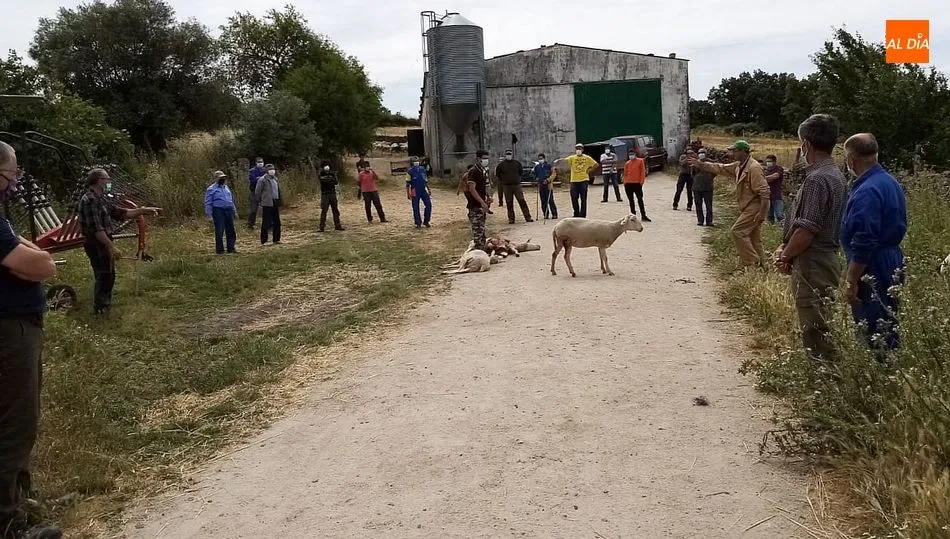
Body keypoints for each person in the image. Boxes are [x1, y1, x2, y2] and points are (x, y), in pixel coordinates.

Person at [0, 142, 63, 539]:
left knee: (18, 421)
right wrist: (33, 262)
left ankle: (21, 503)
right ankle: (8, 524)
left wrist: (30, 260)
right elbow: (40, 263)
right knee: (14, 425)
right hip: (9, 330)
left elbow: (32, 255)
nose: (15, 182)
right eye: (11, 174)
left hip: (16, 327)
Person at [772, 114, 848, 361]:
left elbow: (807, 230)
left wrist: (785, 255)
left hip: (813, 261)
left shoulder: (817, 179)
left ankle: (825, 374)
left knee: (815, 326)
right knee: (820, 319)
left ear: (805, 144)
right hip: (824, 260)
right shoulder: (835, 175)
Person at [841, 133, 907, 352]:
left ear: (851, 160)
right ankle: (889, 365)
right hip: (891, 259)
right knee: (888, 320)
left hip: (872, 265)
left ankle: (880, 367)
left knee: (874, 326)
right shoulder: (889, 181)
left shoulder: (867, 190)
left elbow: (864, 239)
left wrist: (852, 280)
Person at [77, 168, 161, 315]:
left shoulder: (101, 198)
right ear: (99, 181)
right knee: (104, 275)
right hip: (96, 243)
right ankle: (101, 310)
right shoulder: (89, 200)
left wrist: (143, 210)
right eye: (107, 179)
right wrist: (112, 247)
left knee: (109, 275)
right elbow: (97, 230)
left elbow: (121, 213)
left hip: (103, 241)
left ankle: (104, 307)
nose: (109, 182)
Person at [687, 140, 769, 268]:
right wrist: (701, 164)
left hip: (754, 207)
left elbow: (765, 193)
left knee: (737, 231)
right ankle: (762, 267)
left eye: (734, 151)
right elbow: (720, 168)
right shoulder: (739, 166)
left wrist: (762, 214)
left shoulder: (754, 168)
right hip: (748, 207)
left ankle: (751, 263)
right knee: (753, 238)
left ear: (742, 151)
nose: (732, 154)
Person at [554, 144, 598, 218]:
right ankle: (576, 213)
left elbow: (596, 164)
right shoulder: (572, 158)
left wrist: (589, 171)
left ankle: (583, 214)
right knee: (574, 198)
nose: (578, 150)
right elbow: (564, 160)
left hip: (584, 180)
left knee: (583, 198)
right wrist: (558, 161)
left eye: (580, 148)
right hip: (574, 180)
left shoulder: (587, 158)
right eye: (577, 149)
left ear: (582, 150)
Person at [463, 150, 493, 249]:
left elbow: (483, 187)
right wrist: (481, 202)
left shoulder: (483, 171)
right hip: (475, 205)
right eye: (484, 158)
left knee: (482, 230)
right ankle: (479, 251)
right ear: (478, 158)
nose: (486, 160)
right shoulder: (473, 171)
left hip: (481, 205)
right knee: (478, 232)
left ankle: (482, 249)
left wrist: (488, 197)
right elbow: (472, 189)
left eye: (487, 158)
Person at [494, 150, 533, 224]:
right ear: (505, 155)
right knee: (509, 202)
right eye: (507, 154)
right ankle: (511, 218)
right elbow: (498, 174)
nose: (509, 155)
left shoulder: (517, 163)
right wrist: (504, 180)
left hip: (516, 185)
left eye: (510, 154)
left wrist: (517, 179)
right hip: (506, 186)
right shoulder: (501, 165)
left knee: (521, 201)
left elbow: (521, 172)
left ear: (512, 155)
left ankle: (528, 217)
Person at [204, 171, 238, 254]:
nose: (223, 179)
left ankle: (231, 248)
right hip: (218, 210)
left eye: (223, 178)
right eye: (221, 178)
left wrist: (234, 211)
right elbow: (208, 203)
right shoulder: (211, 189)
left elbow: (231, 200)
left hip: (228, 209)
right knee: (220, 230)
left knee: (231, 229)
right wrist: (209, 215)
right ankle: (220, 250)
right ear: (216, 178)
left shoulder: (226, 188)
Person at [255, 164, 282, 244]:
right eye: (270, 169)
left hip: (275, 202)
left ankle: (276, 239)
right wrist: (261, 201)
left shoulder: (275, 179)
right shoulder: (262, 180)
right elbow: (257, 192)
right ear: (266, 171)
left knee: (277, 222)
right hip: (267, 203)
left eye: (273, 169)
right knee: (266, 222)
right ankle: (264, 240)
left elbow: (278, 190)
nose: (272, 171)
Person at [621, 149, 651, 222]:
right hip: (628, 183)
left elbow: (642, 172)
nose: (631, 156)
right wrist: (625, 182)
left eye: (632, 154)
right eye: (629, 155)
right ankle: (633, 216)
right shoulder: (627, 163)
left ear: (635, 154)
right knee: (631, 200)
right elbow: (625, 174)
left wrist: (641, 182)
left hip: (637, 183)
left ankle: (643, 215)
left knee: (640, 199)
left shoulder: (640, 161)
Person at [406, 157, 432, 228]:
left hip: (423, 189)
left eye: (417, 160)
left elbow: (425, 180)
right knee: (415, 207)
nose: (416, 162)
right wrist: (408, 193)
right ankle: (418, 223)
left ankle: (426, 221)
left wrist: (428, 189)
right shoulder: (409, 171)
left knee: (428, 205)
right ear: (412, 162)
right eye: (415, 161)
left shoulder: (422, 169)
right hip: (414, 190)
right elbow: (407, 184)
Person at [318, 161, 344, 232]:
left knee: (335, 210)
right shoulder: (321, 174)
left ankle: (338, 225)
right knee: (324, 211)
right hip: (325, 194)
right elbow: (323, 181)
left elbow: (336, 182)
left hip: (332, 193)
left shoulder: (332, 173)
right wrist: (330, 179)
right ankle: (321, 227)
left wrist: (330, 178)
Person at [692, 149, 715, 226]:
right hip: (697, 186)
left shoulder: (710, 162)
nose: (701, 154)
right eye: (700, 153)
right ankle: (700, 220)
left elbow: (715, 172)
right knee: (698, 204)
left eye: (703, 153)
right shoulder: (695, 162)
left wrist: (709, 177)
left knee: (709, 205)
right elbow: (692, 173)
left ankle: (709, 221)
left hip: (707, 186)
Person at [533, 153, 558, 220]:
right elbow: (535, 175)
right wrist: (536, 179)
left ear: (544, 158)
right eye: (539, 159)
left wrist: (548, 180)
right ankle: (545, 214)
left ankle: (554, 214)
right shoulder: (537, 167)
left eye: (541, 158)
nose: (540, 160)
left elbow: (554, 174)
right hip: (541, 185)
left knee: (550, 200)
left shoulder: (549, 166)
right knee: (543, 201)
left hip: (548, 185)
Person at [764, 154, 785, 224]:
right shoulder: (765, 170)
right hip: (767, 196)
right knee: (770, 217)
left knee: (779, 216)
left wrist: (762, 179)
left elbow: (775, 176)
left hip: (777, 196)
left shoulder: (779, 169)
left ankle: (782, 228)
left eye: (770, 161)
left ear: (774, 162)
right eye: (767, 161)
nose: (768, 163)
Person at [247, 157, 266, 229]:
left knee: (266, 208)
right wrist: (260, 179)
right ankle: (250, 224)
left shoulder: (265, 170)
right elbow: (252, 180)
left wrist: (259, 178)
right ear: (256, 163)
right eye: (259, 162)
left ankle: (267, 223)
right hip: (254, 191)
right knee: (253, 209)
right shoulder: (252, 171)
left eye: (261, 162)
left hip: (263, 191)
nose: (260, 163)